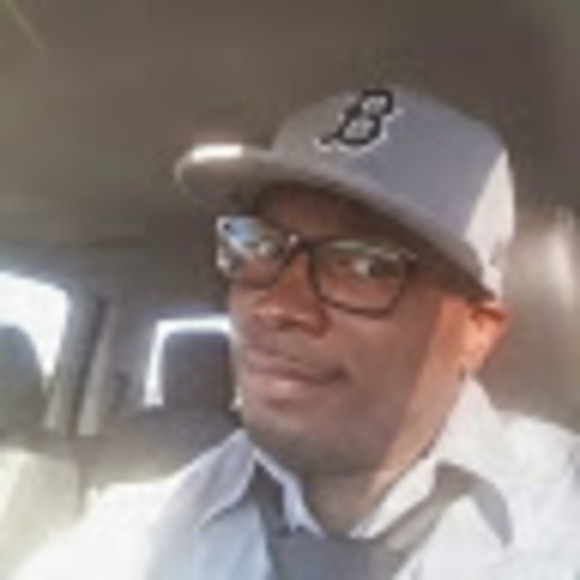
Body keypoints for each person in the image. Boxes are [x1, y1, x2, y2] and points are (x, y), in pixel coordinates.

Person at [14, 86, 580, 579]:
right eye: (260, 246)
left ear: (477, 331)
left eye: (363, 265)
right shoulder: (141, 529)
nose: (277, 305)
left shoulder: (560, 513)